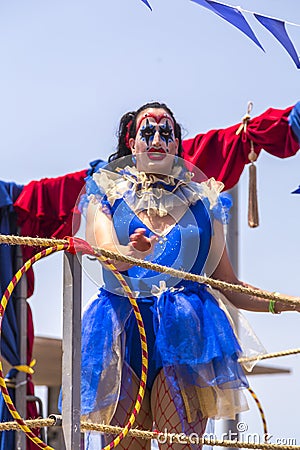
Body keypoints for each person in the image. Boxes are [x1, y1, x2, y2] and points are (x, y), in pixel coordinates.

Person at [80, 101, 300, 450]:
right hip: (122, 332)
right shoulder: (106, 195)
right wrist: (134, 252)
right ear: (131, 142)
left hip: (186, 341)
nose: (157, 139)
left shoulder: (204, 204)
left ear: (177, 143)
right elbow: (109, 256)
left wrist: (289, 305)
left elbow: (230, 286)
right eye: (147, 132)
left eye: (166, 132)